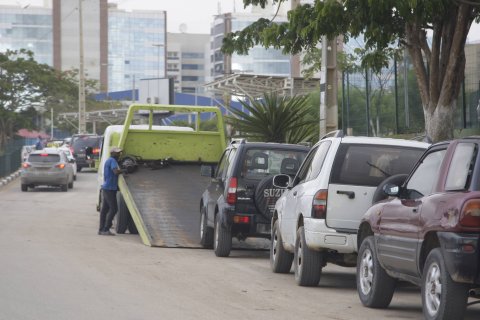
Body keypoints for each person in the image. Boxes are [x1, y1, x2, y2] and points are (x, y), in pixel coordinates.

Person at [98, 147, 124, 236]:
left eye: (119, 153)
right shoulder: (112, 160)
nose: (119, 154)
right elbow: (116, 172)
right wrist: (124, 171)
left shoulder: (109, 160)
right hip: (109, 189)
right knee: (114, 209)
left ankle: (101, 230)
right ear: (112, 153)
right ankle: (106, 228)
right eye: (117, 153)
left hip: (107, 188)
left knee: (104, 210)